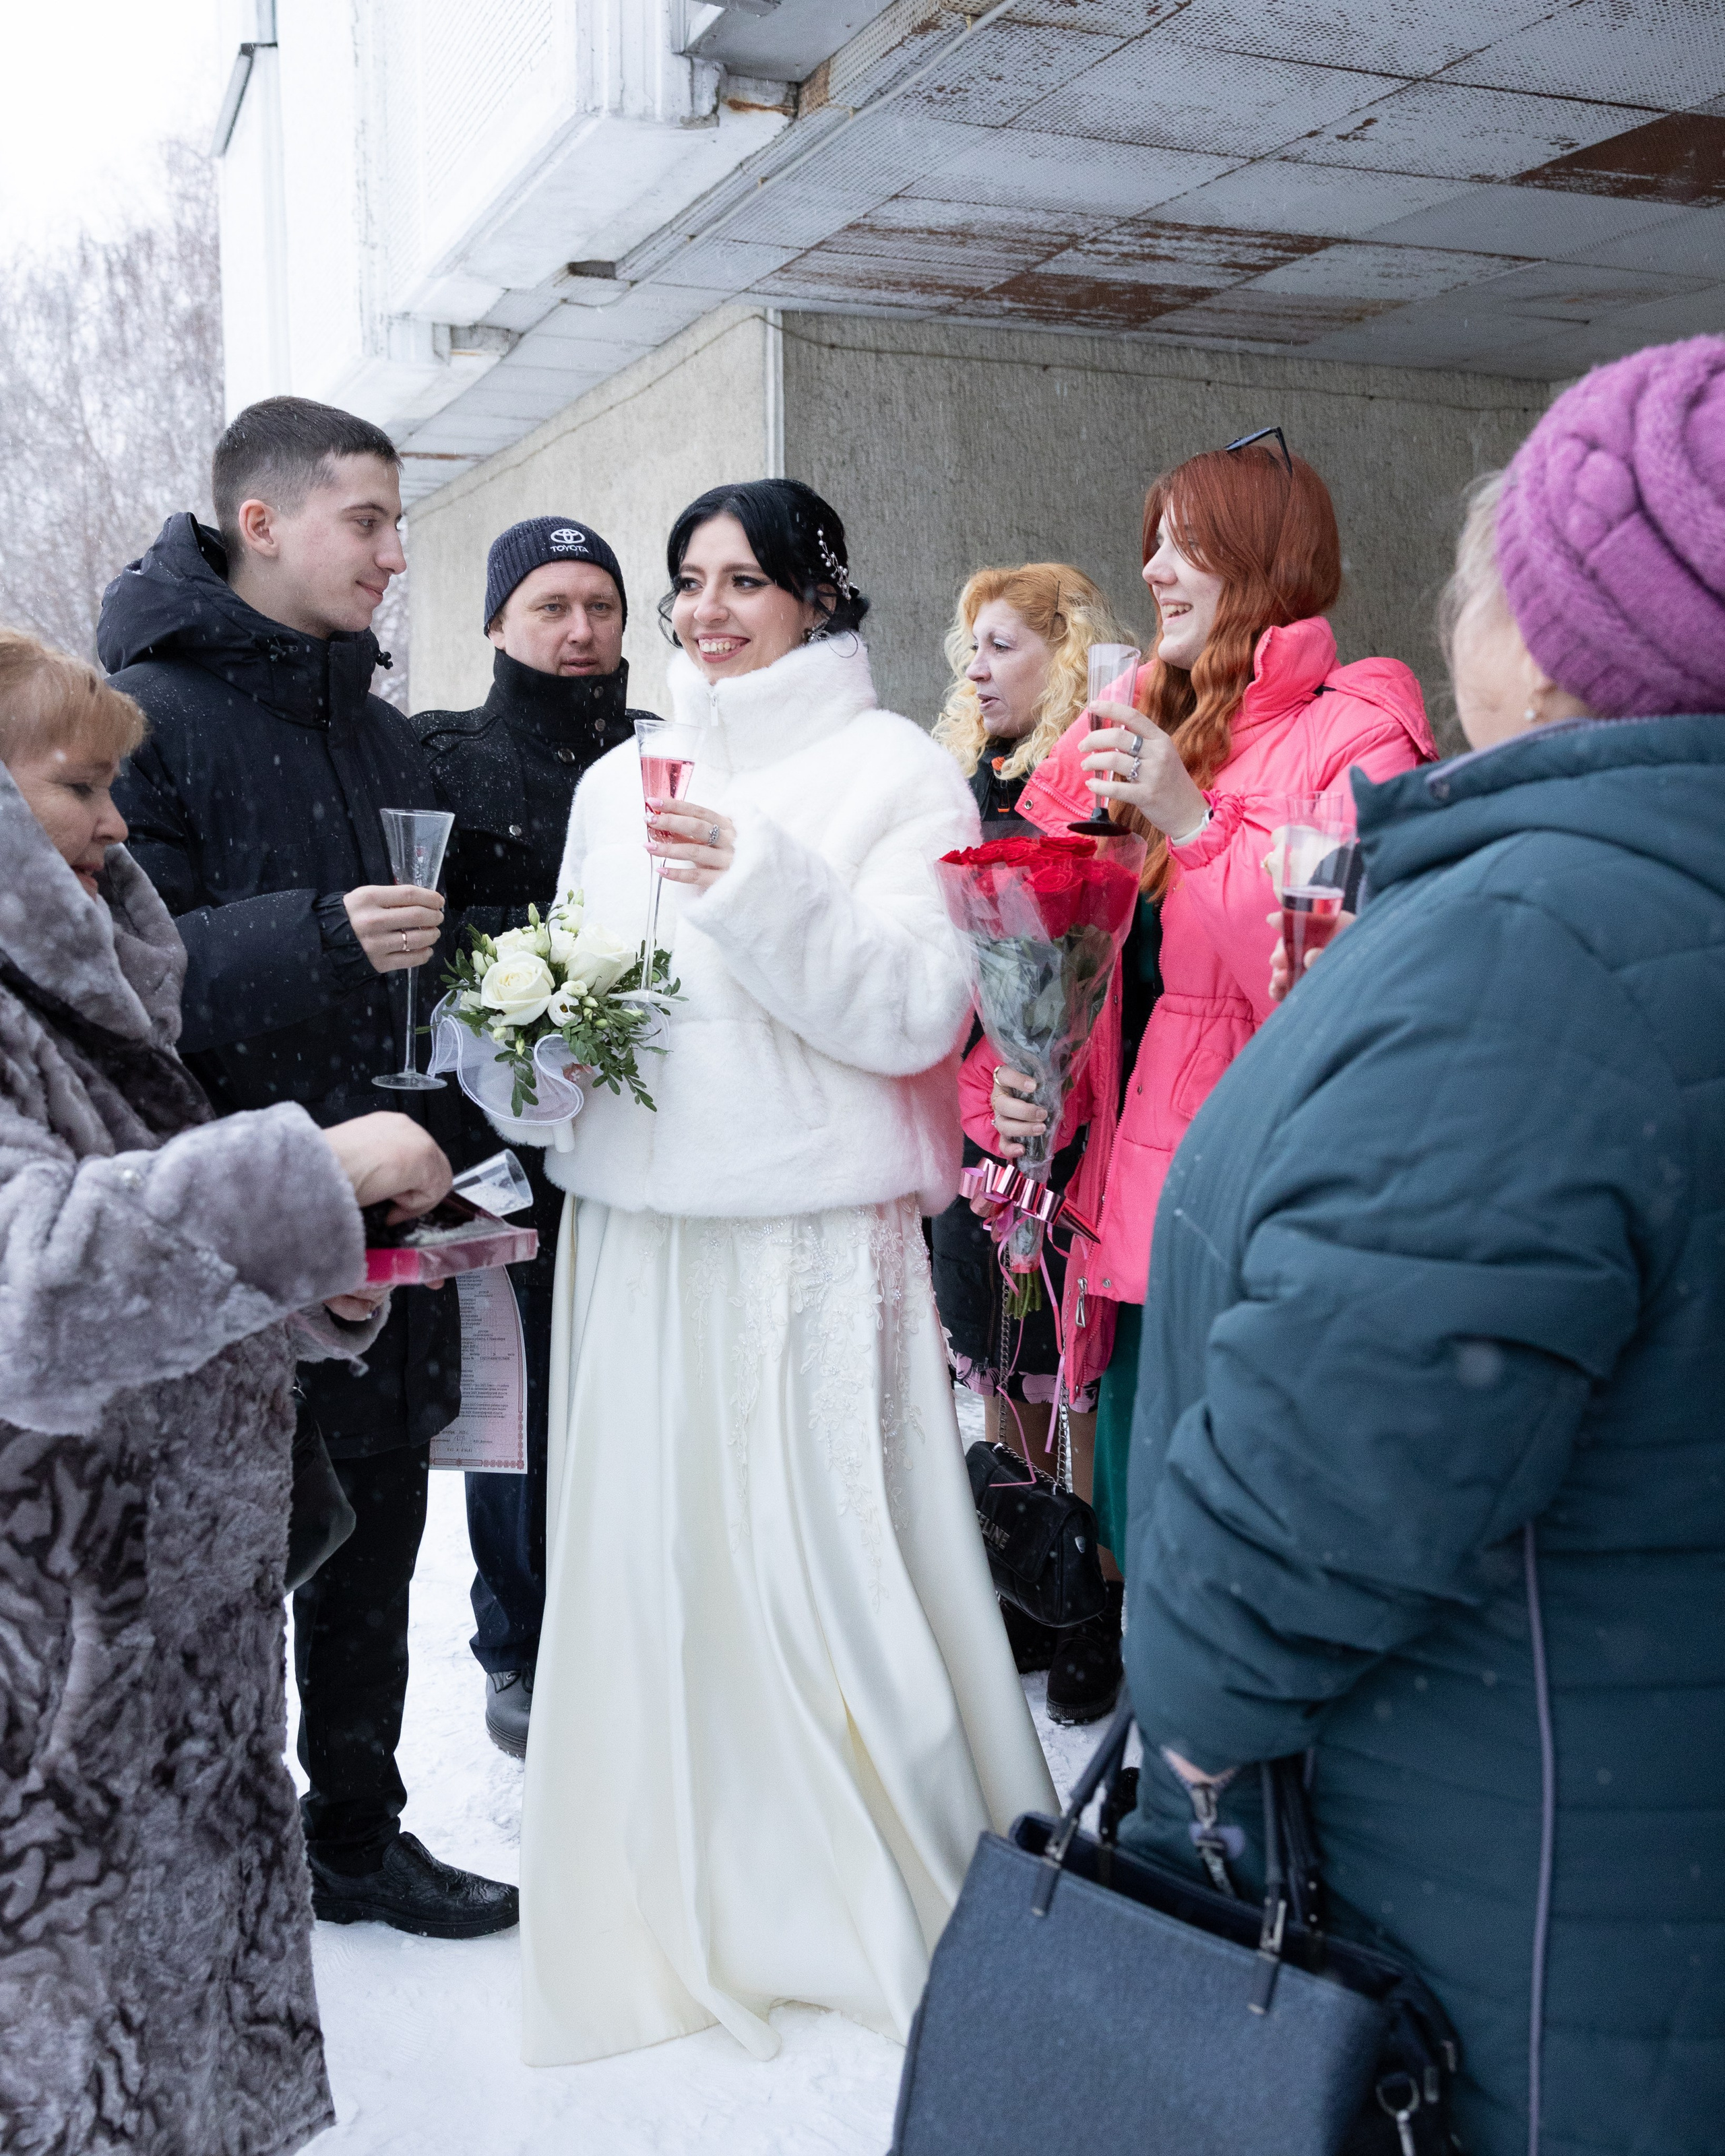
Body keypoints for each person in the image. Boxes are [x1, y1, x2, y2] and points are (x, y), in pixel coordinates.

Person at [1115, 334, 1725, 2156]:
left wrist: (1195, 1715)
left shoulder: (1546, 955)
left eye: (1490, 559)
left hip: (1518, 1921)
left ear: (1554, 640)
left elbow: (1321, 1484)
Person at [510, 478, 1057, 2066]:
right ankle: (678, 1879)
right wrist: (526, 1040)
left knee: (827, 1560)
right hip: (641, 1231)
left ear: (816, 597)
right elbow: (580, 992)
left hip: (814, 1239)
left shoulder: (894, 772)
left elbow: (907, 1013)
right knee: (659, 1559)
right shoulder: (612, 781)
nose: (706, 612)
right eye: (688, 582)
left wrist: (753, 877)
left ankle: (868, 1880)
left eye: (744, 581)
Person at [0, 631, 455, 2154]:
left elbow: (138, 1255)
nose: (117, 826)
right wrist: (313, 1168)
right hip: (51, 1691)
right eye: (78, 786)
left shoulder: (84, 988)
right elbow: (41, 1285)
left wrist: (306, 1278)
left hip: (154, 1677)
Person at [102, 395, 516, 1938]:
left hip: (385, 1206)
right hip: (225, 1214)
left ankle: (357, 1828)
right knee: (229, 1553)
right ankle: (204, 1854)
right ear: (261, 521)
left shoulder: (382, 724)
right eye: (370, 521)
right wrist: (321, 934)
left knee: (381, 1524)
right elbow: (124, 985)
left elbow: (435, 975)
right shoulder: (139, 715)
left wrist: (490, 1057)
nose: (398, 556)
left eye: (402, 524)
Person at [983, 434, 1434, 1726]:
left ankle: (1240, 1803)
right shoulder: (1171, 719)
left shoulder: (1362, 728)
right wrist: (1030, 1080)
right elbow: (1076, 950)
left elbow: (1330, 971)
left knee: (1237, 1522)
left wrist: (1192, 821)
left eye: (1187, 542)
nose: (1155, 568)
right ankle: (1176, 1786)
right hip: (1139, 1186)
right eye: (1154, 538)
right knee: (1148, 1514)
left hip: (1261, 1190)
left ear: (1264, 561)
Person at [406, 515, 652, 1759]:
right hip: (501, 1147)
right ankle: (521, 1640)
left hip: (653, 1139)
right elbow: (416, 946)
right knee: (521, 1403)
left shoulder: (667, 759)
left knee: (640, 1384)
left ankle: (638, 1621)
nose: (579, 631)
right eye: (550, 606)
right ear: (497, 621)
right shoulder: (442, 756)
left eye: (601, 607)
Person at [927, 562, 1139, 1720]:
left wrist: (1056, 1068)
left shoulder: (1100, 793)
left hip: (1082, 1117)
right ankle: (1027, 1563)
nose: (978, 667)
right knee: (1001, 1352)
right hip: (980, 1110)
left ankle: (1092, 1602)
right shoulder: (954, 788)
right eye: (972, 647)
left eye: (1004, 644)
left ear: (1068, 653)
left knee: (1078, 1366)